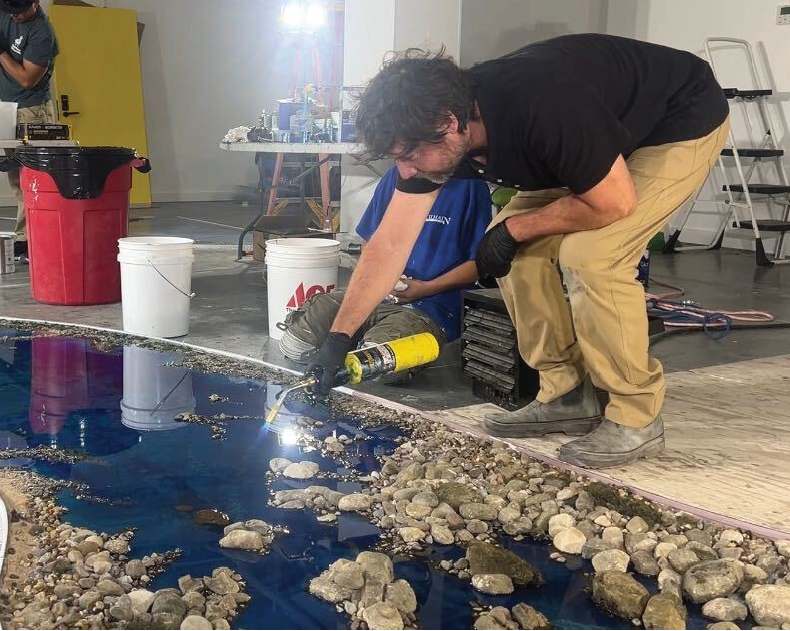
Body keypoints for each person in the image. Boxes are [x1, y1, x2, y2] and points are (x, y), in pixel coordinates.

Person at [302, 34, 730, 469]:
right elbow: (389, 242)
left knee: (592, 255)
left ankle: (635, 414)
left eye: (410, 155)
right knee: (513, 255)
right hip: (592, 137)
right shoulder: (432, 139)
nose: (405, 171)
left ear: (450, 123)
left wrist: (516, 226)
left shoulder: (542, 106)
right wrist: (339, 338)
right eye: (398, 158)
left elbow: (613, 203)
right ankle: (565, 394)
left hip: (675, 121)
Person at [278, 166, 492, 384]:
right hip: (381, 295)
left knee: (377, 367)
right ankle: (363, 336)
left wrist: (426, 287)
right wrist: (384, 280)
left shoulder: (470, 186)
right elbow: (371, 243)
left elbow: (478, 264)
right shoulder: (396, 176)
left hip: (433, 306)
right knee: (295, 347)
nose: (407, 167)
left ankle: (374, 340)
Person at [0, 0, 60, 257]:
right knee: (18, 180)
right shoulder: (8, 7)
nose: (15, 17)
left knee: (35, 179)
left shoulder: (42, 34)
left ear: (35, 2)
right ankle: (25, 238)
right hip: (9, 109)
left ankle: (36, 239)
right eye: (11, 12)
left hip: (33, 112)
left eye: (20, 12)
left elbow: (26, 79)